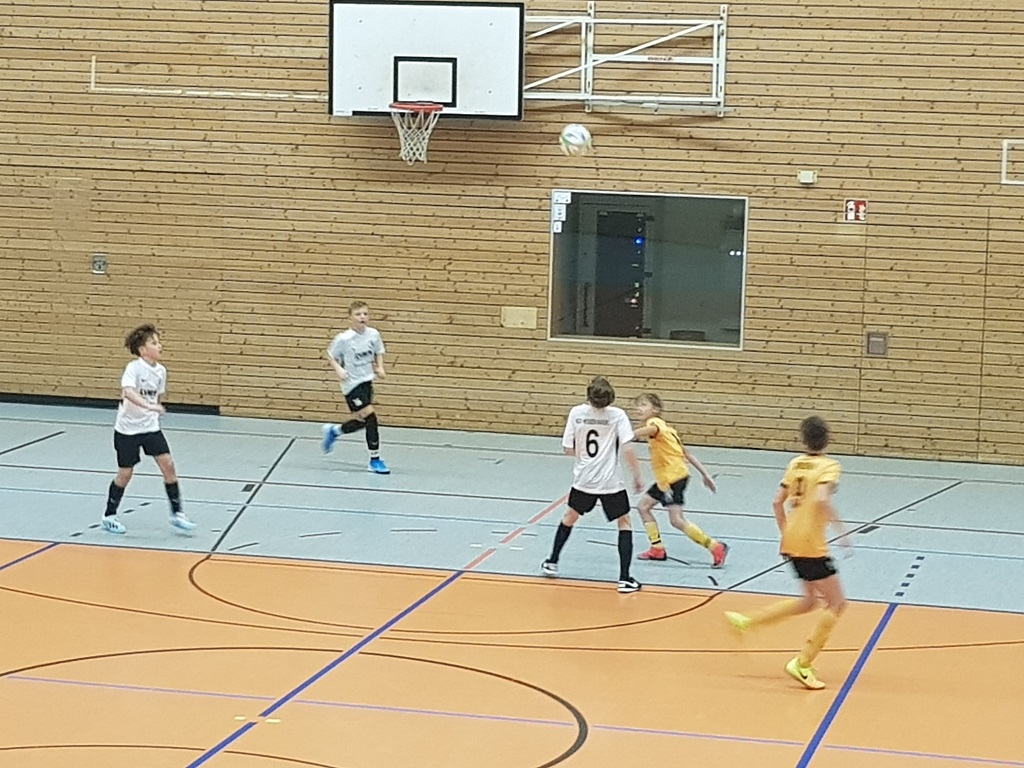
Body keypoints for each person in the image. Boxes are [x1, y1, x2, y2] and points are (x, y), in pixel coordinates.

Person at [725, 415, 851, 690]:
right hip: (811, 543)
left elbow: (776, 502)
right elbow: (821, 499)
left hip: (792, 539)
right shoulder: (830, 466)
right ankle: (802, 663)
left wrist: (786, 534)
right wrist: (842, 531)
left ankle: (748, 621)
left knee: (809, 601)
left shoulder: (795, 464)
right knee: (837, 603)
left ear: (803, 439)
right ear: (827, 439)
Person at [542, 376, 645, 593]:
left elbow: (567, 448)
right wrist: (637, 476)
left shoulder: (576, 413)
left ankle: (552, 561)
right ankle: (625, 579)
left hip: (584, 480)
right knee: (624, 522)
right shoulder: (617, 415)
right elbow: (628, 448)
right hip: (611, 482)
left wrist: (586, 459)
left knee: (570, 517)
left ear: (588, 395)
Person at [101, 324, 196, 534]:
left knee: (168, 465)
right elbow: (128, 392)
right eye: (154, 343)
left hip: (150, 428)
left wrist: (154, 409)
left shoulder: (161, 371)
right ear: (143, 350)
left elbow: (157, 396)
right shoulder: (134, 368)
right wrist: (148, 406)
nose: (159, 346)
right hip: (127, 430)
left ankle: (177, 513)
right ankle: (109, 516)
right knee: (125, 474)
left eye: (158, 342)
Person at [631, 393, 727, 566]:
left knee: (676, 520)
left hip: (671, 478)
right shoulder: (670, 431)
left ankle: (714, 546)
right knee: (643, 507)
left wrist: (628, 434)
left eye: (644, 405)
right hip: (671, 478)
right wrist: (705, 474)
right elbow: (686, 453)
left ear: (656, 409)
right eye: (638, 405)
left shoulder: (655, 424)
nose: (639, 408)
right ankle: (657, 548)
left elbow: (651, 430)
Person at [321, 300, 390, 474]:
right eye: (358, 314)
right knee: (371, 417)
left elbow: (379, 351)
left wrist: (380, 367)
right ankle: (375, 460)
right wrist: (338, 369)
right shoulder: (343, 339)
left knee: (362, 421)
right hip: (351, 384)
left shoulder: (373, 334)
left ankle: (335, 431)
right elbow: (330, 355)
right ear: (350, 318)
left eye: (365, 314)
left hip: (367, 381)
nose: (362, 317)